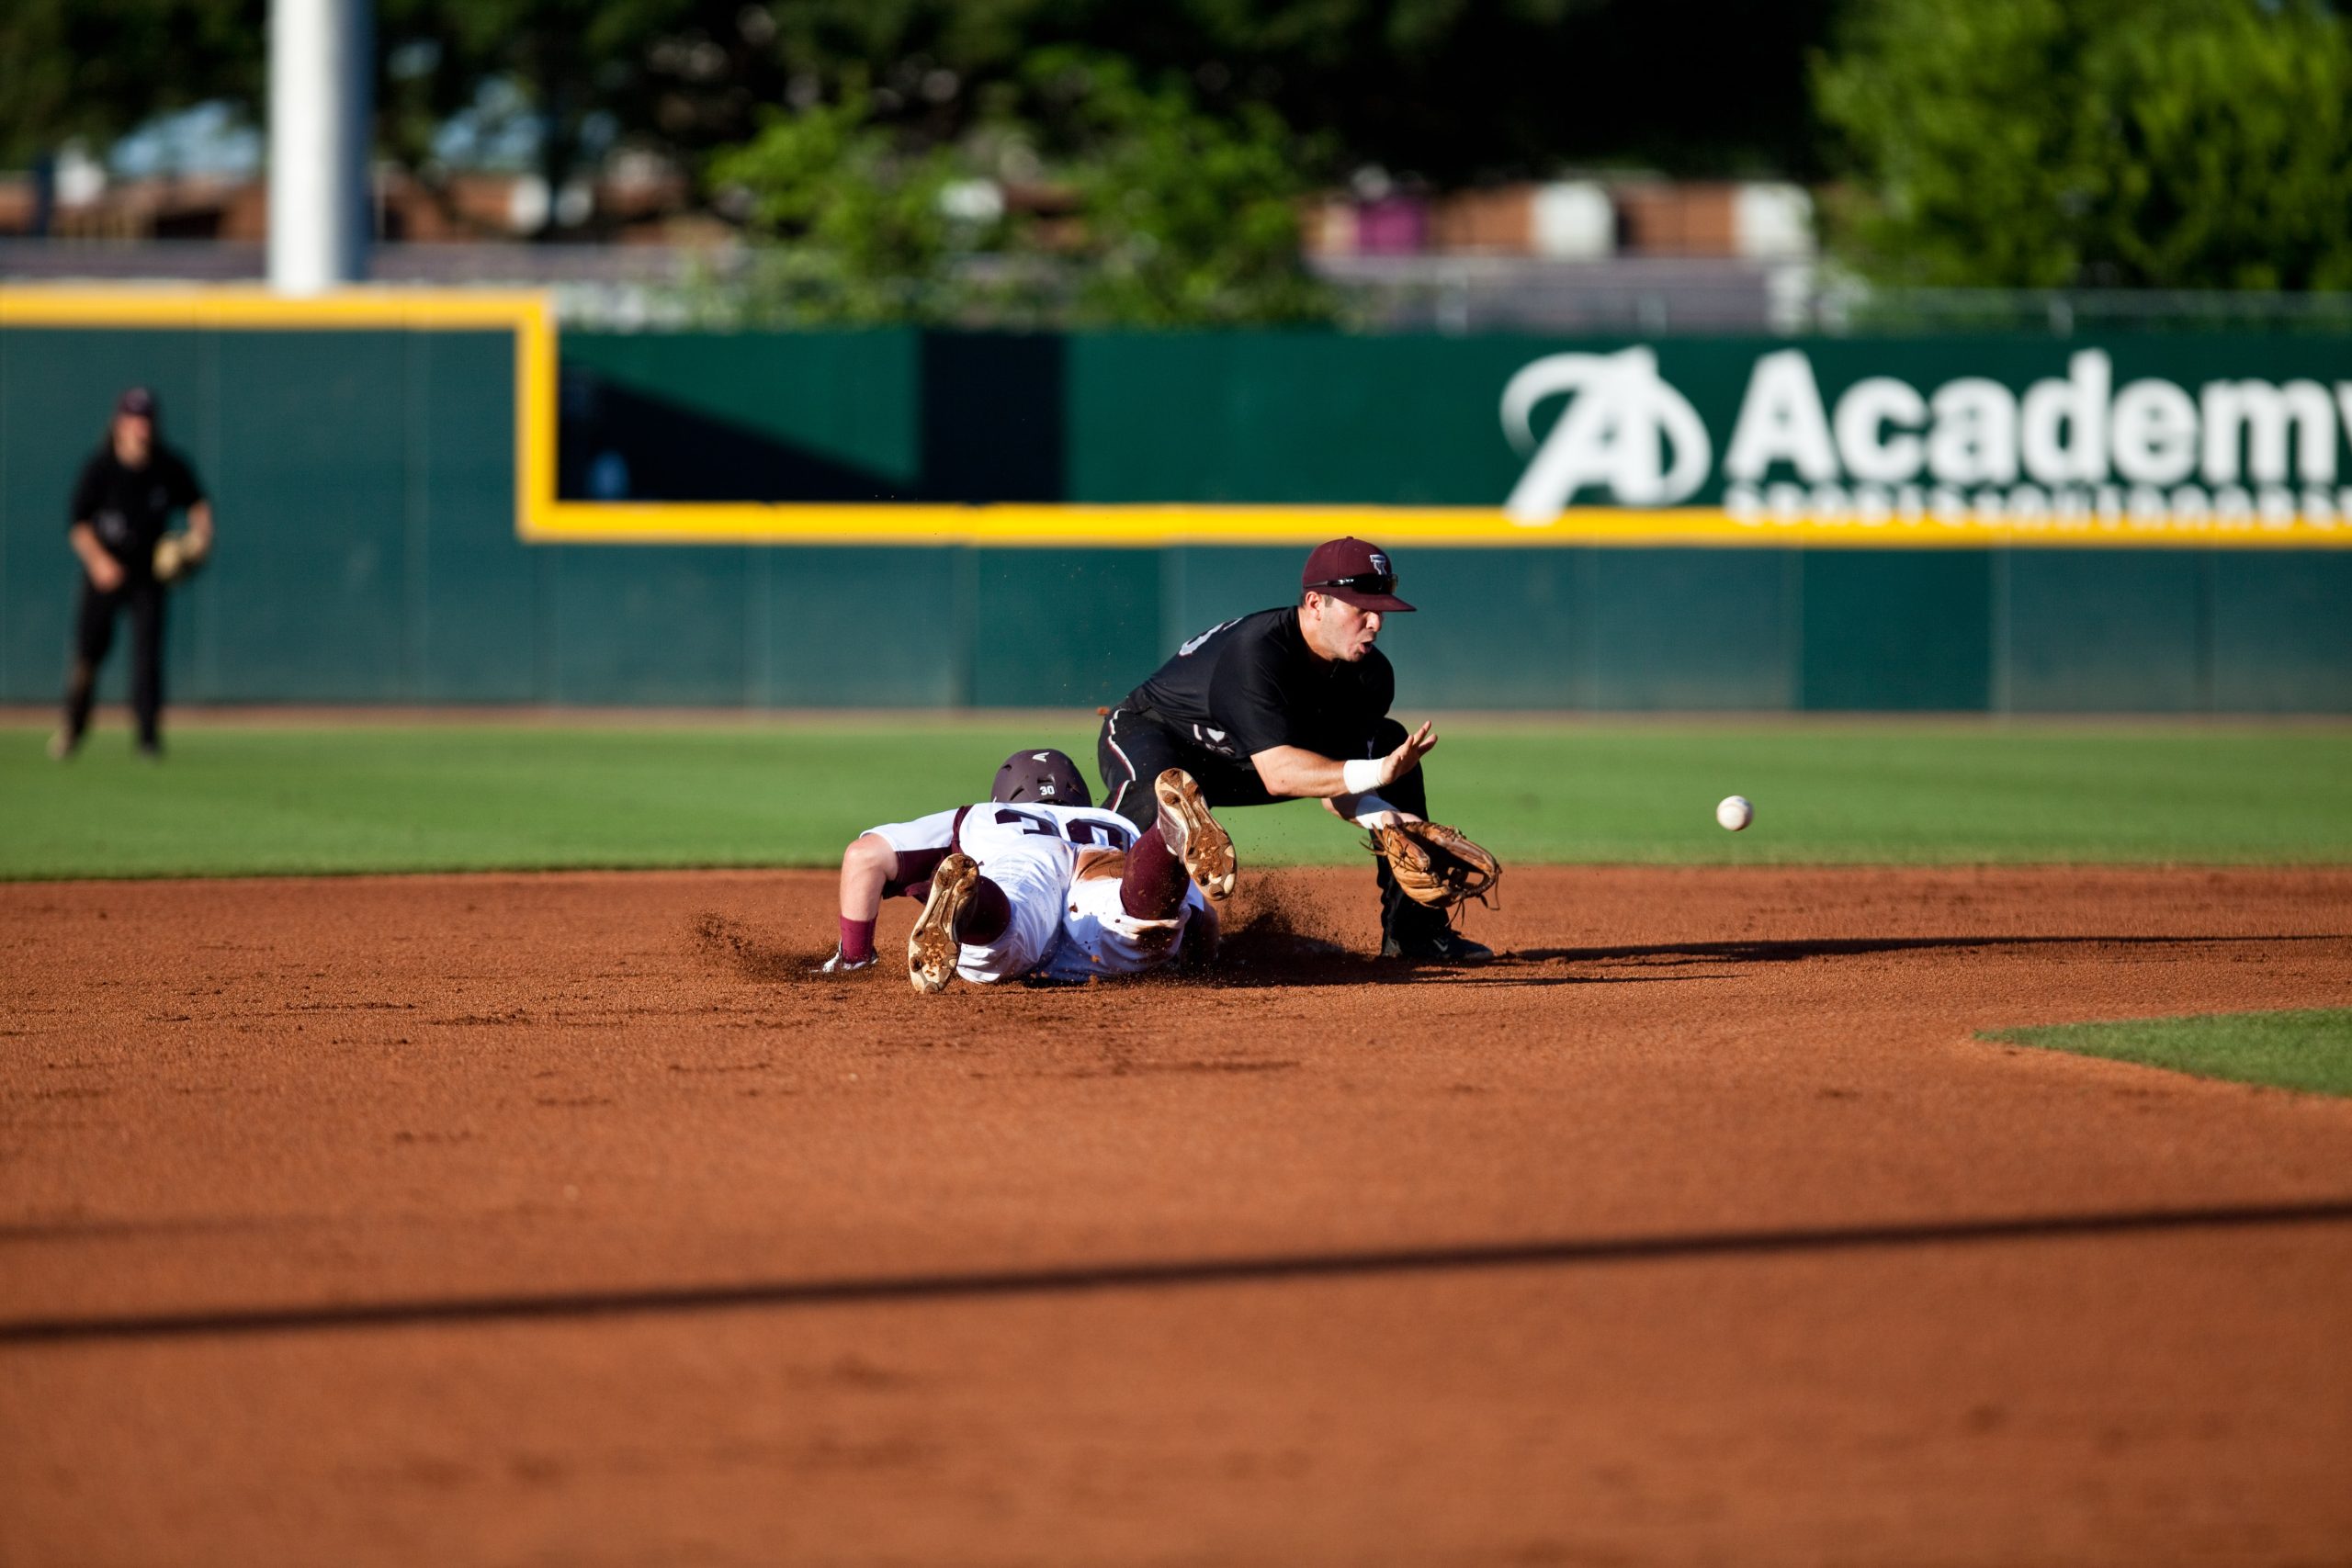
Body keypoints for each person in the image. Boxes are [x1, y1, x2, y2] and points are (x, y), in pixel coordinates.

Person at [1095, 536, 1493, 965]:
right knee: (1157, 798)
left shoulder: (1369, 676)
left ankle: (1416, 935)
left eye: (1381, 609)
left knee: (1394, 745)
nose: (1376, 622)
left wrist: (1389, 817)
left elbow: (1333, 786)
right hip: (1157, 734)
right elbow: (1281, 776)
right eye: (1361, 609)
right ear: (1316, 603)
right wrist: (1378, 774)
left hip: (1245, 762)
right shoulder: (1258, 653)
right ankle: (1089, 928)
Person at [815, 747, 1237, 993]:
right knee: (1137, 921)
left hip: (1022, 860)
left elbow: (864, 856)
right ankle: (1165, 838)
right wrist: (1192, 954)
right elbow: (1203, 919)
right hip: (1101, 858)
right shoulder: (1117, 822)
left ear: (1006, 795)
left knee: (1002, 937)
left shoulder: (980, 815)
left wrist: (856, 957)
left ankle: (972, 901)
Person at [51, 387, 213, 760]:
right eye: (134, 419)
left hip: (148, 575)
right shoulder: (101, 468)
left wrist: (200, 539)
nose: (141, 427)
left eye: (147, 419)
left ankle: (148, 738)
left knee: (147, 657)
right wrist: (98, 562)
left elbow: (198, 505)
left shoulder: (168, 466)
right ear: (120, 423)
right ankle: (74, 726)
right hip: (105, 574)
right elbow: (78, 523)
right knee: (88, 655)